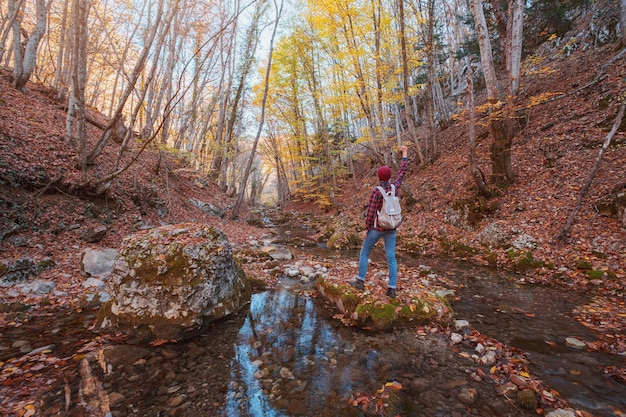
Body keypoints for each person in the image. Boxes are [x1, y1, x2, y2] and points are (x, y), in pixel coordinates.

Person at [350, 145, 409, 298]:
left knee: (364, 252)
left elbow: (370, 212)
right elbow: (402, 173)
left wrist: (366, 228)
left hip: (377, 228)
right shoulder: (394, 188)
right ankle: (391, 289)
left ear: (379, 176)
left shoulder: (377, 191)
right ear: (389, 177)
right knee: (391, 258)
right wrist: (405, 155)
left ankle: (360, 282)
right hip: (392, 228)